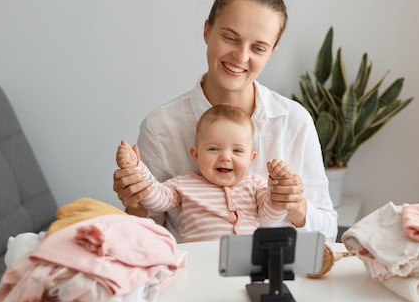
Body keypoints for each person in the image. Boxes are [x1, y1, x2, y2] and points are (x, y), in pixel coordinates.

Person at [113, 0, 338, 242]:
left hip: (278, 277)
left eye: (258, 48)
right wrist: (134, 205)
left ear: (272, 51)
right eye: (230, 38)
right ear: (207, 30)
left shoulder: (294, 121)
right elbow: (148, 238)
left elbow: (328, 233)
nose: (241, 57)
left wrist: (297, 206)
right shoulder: (161, 127)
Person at [116, 104, 294, 243]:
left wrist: (278, 183)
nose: (225, 157)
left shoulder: (255, 185)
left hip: (247, 263)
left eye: (237, 151)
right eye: (214, 148)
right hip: (200, 263)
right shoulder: (183, 185)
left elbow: (271, 217)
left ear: (251, 158)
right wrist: (137, 169)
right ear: (196, 155)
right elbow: (155, 199)